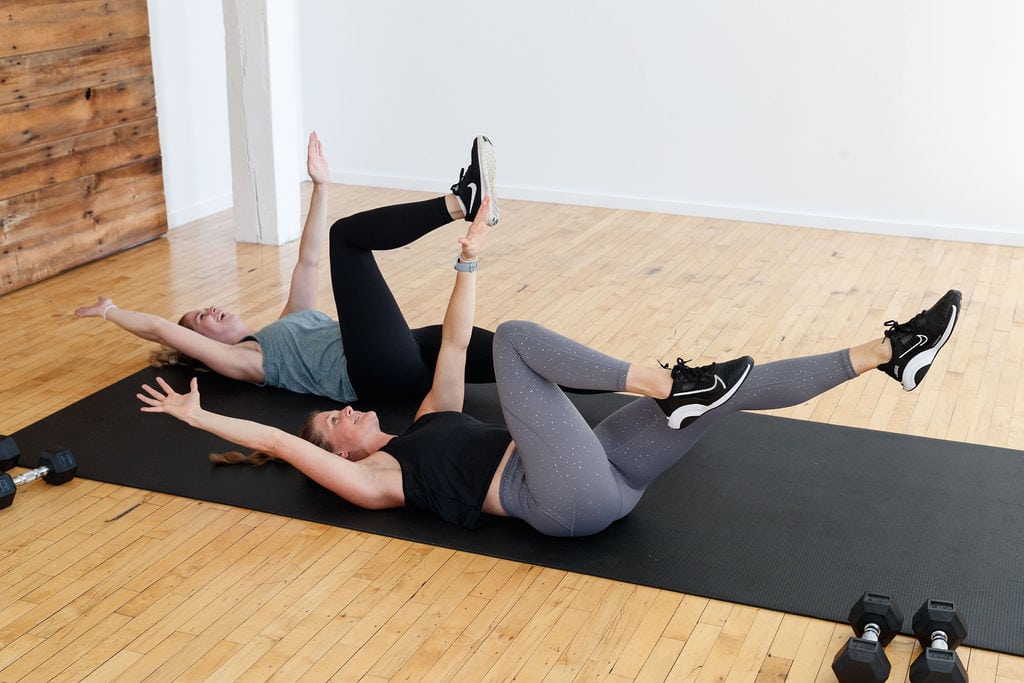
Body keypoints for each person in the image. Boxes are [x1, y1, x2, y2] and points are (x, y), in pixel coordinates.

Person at [136, 213, 961, 537]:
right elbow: (282, 447)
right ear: (344, 452)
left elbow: (455, 347)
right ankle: (669, 385)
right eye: (335, 423)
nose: (346, 412)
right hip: (557, 498)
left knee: (734, 393)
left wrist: (468, 259)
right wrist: (199, 417)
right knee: (522, 337)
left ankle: (891, 354)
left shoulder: (423, 419)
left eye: (340, 414)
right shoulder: (379, 478)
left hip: (603, 475)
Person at [77, 132, 500, 403]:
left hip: (400, 359)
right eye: (201, 320)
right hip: (373, 375)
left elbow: (309, 257)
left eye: (205, 307)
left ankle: (560, 373)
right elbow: (161, 330)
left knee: (502, 349)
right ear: (200, 346)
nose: (212, 310)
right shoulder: (244, 362)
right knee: (348, 238)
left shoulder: (290, 320)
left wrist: (321, 186)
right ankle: (462, 201)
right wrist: (111, 311)